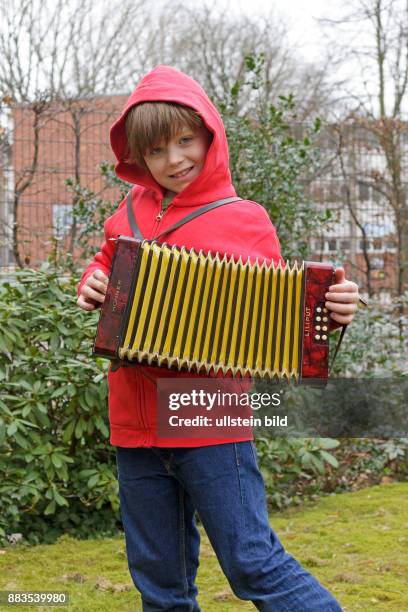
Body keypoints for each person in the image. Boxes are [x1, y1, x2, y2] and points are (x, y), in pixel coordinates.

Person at [77, 66, 359, 611]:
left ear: (210, 135)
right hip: (134, 424)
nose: (175, 159)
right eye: (157, 150)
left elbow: (281, 313)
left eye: (186, 140)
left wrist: (334, 308)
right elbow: (104, 268)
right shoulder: (125, 215)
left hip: (207, 414)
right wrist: (91, 284)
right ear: (138, 157)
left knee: (253, 564)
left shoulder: (243, 219)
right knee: (160, 584)